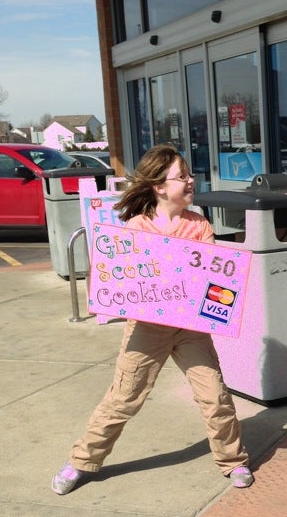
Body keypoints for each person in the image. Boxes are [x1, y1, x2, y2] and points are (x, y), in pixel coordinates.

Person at [51, 144, 253, 495]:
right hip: (147, 329)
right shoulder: (137, 227)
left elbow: (211, 280)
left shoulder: (200, 225)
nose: (190, 181)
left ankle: (233, 461)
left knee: (215, 396)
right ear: (159, 186)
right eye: (182, 176)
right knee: (123, 398)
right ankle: (81, 461)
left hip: (190, 328)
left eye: (189, 174)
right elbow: (122, 278)